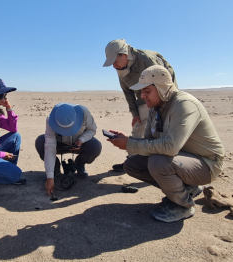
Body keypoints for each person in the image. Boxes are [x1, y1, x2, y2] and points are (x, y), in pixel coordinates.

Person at [107, 65, 225, 223]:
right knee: (132, 164)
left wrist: (130, 144)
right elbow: (150, 142)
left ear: (162, 88)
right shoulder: (155, 108)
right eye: (142, 91)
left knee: (158, 162)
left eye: (147, 91)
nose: (142, 96)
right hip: (181, 159)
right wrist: (128, 140)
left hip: (207, 164)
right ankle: (188, 189)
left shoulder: (184, 104)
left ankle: (183, 206)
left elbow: (170, 147)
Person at [103, 39, 177, 172]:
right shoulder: (120, 66)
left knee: (161, 128)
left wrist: (162, 107)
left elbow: (164, 82)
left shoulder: (146, 59)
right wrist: (135, 114)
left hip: (163, 96)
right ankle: (133, 160)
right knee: (138, 127)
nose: (114, 66)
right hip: (143, 98)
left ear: (124, 54)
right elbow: (128, 92)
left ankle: (167, 164)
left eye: (115, 61)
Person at [35, 103, 102, 195]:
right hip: (59, 145)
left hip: (79, 143)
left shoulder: (84, 112)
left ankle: (79, 164)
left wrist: (81, 139)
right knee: (40, 142)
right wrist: (50, 176)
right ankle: (55, 168)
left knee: (95, 146)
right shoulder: (50, 119)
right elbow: (50, 146)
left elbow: (92, 129)